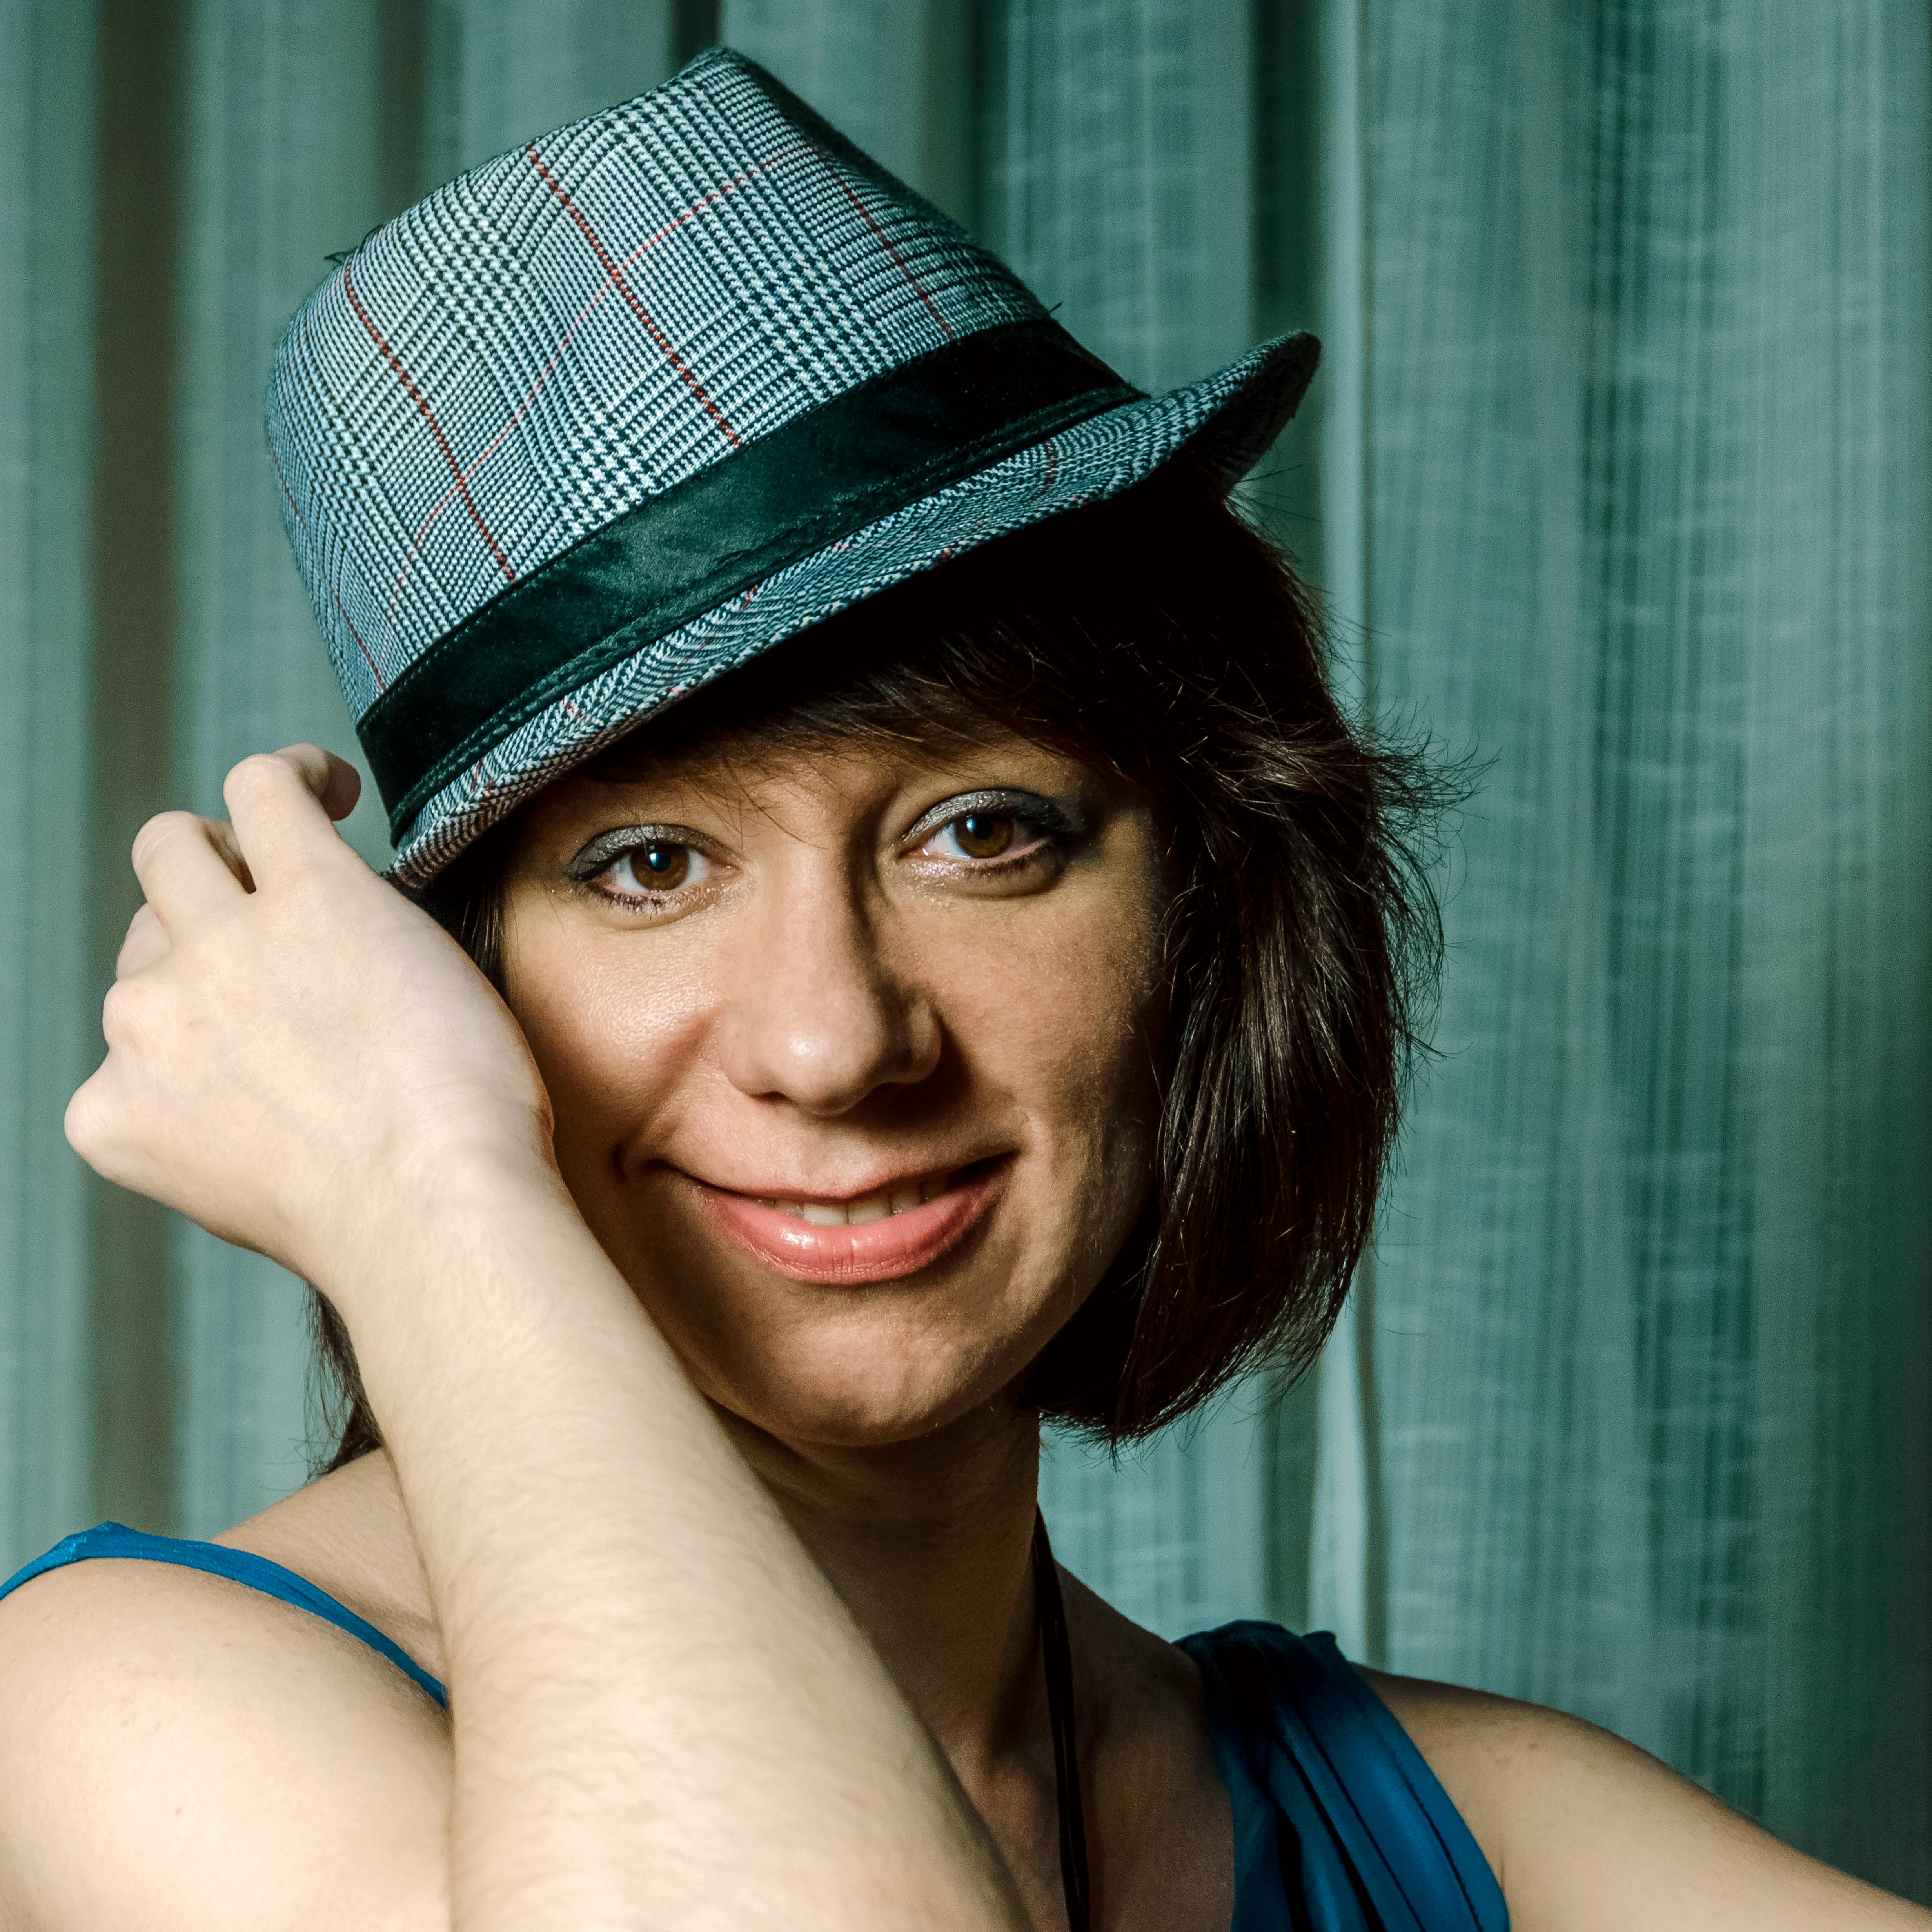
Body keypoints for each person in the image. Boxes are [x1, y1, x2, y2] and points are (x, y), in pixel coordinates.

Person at [0, 49, 1923, 1932]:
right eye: (648, 865)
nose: (834, 1042)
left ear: (1199, 902)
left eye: (981, 833)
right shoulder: (113, 1712)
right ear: (444, 991)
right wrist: (425, 1191)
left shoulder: (1473, 1831)